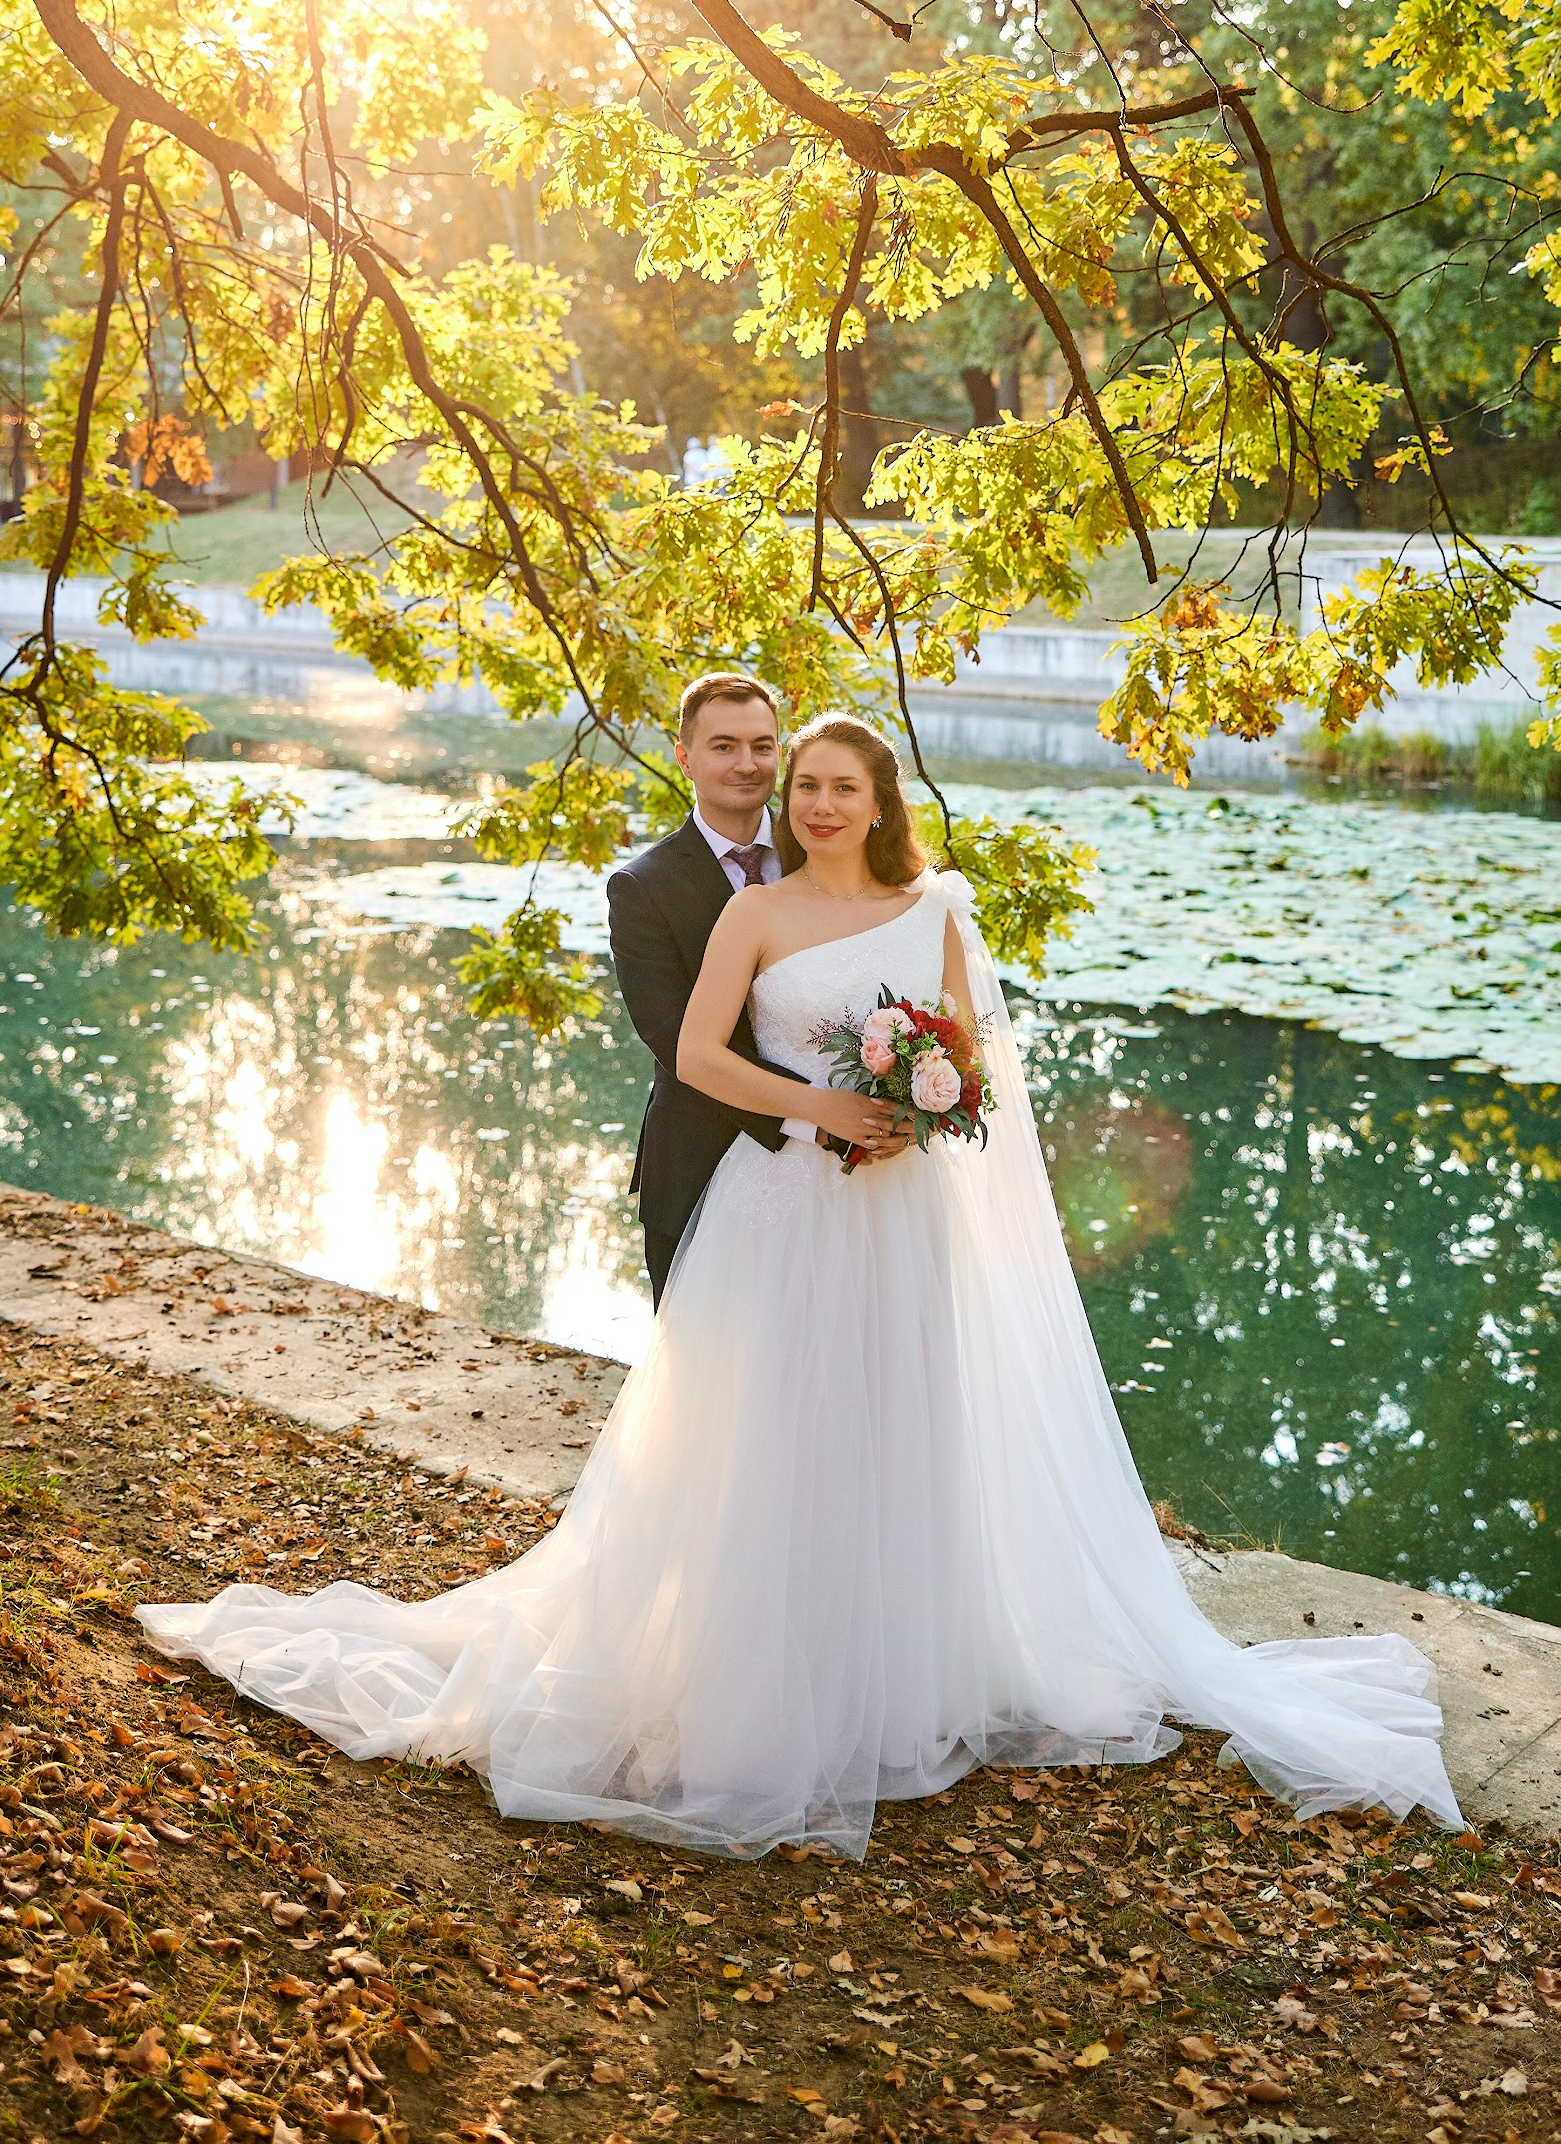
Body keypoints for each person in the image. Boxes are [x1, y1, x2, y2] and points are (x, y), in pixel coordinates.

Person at [138, 711, 1462, 1859]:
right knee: (764, 1437)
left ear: (881, 801)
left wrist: (924, 1107)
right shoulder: (754, 912)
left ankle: (896, 1675)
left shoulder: (938, 905)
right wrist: (821, 1101)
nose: (820, 800)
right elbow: (703, 1057)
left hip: (904, 1217)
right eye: (804, 783)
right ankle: (757, 1681)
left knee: (899, 1431)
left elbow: (980, 1072)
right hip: (780, 1210)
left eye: (843, 783)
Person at [605, 670, 900, 1302]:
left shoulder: (826, 845)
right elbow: (675, 1044)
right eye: (724, 746)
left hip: (854, 1169)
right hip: (703, 1161)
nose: (747, 764)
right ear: (684, 757)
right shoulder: (642, 889)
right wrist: (815, 1118)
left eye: (763, 746)